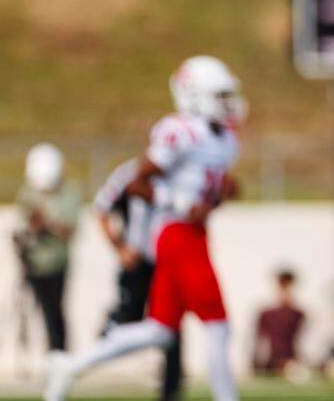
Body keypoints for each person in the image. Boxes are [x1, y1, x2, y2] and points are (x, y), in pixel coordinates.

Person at [45, 56, 247, 401]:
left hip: (194, 234)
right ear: (194, 95)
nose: (227, 103)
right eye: (219, 95)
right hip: (176, 234)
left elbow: (207, 200)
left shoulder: (225, 138)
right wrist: (181, 204)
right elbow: (137, 184)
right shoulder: (179, 131)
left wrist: (221, 197)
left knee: (160, 331)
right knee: (217, 324)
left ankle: (72, 365)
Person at [94, 158, 183, 400]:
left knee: (172, 326)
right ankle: (85, 357)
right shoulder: (127, 174)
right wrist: (120, 248)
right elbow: (101, 208)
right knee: (130, 317)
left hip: (167, 262)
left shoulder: (181, 173)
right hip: (138, 261)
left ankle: (170, 390)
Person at [16, 143, 80, 355]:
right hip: (33, 261)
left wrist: (48, 223)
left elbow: (70, 229)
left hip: (56, 262)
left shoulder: (69, 192)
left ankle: (59, 354)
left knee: (54, 312)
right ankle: (49, 354)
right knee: (41, 311)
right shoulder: (28, 191)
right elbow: (23, 220)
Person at [252, 269, 306, 376]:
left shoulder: (298, 314)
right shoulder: (266, 314)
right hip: (270, 363)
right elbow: (259, 342)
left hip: (292, 361)